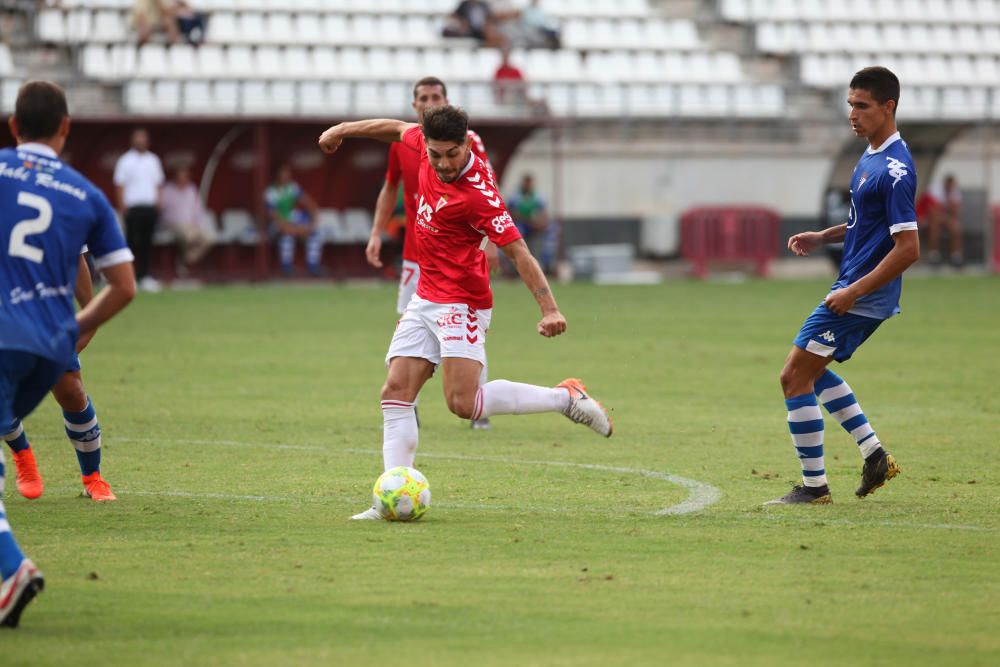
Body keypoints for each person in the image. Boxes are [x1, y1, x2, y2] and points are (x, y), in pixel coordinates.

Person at [319, 106, 613, 521]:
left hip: (462, 302)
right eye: (436, 154)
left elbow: (518, 251)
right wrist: (342, 129)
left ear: (466, 145)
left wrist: (550, 309)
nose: (442, 163)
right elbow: (396, 128)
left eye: (451, 154)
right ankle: (392, 497)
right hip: (425, 297)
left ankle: (563, 397)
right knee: (395, 393)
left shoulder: (478, 196)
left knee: (463, 403)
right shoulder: (424, 144)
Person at [0, 80, 136, 627]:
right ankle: (24, 463)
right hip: (45, 340)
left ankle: (13, 568)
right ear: (65, 127)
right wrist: (77, 327)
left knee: (69, 393)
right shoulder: (85, 193)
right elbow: (123, 285)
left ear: (13, 127)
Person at [766, 67, 920, 506]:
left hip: (861, 294)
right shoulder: (870, 156)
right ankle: (873, 454)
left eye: (862, 106)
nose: (852, 114)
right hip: (853, 287)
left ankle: (815, 487)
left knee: (794, 376)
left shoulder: (895, 169)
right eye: (850, 104)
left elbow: (908, 248)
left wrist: (855, 291)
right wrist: (824, 236)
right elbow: (862, 224)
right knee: (808, 372)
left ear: (888, 107)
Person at [367, 76, 496, 430]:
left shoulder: (467, 143)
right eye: (423, 97)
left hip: (457, 258)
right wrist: (376, 232)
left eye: (435, 97)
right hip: (415, 255)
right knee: (406, 331)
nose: (429, 102)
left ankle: (477, 406)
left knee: (466, 334)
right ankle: (408, 405)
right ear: (414, 105)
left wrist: (492, 241)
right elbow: (390, 186)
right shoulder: (403, 142)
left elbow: (487, 190)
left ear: (445, 100)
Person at [4, 254, 119, 502]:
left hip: (48, 314)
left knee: (71, 392)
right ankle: (22, 454)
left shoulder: (59, 215)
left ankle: (93, 478)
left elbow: (76, 257)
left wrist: (90, 313)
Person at [114, 127, 164, 292]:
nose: (140, 141)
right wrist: (123, 207)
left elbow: (158, 184)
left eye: (143, 138)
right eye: (138, 138)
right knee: (131, 244)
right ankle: (130, 277)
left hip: (149, 208)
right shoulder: (125, 160)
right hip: (132, 209)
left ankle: (145, 276)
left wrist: (158, 203)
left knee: (147, 244)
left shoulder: (153, 160)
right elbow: (119, 184)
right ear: (133, 140)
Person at [266, 163, 321, 276]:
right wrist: (295, 230)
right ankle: (287, 268)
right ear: (277, 175)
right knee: (287, 236)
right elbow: (274, 216)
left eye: (287, 172)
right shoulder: (271, 192)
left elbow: (309, 203)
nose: (286, 175)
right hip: (276, 225)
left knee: (314, 234)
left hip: (291, 222)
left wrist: (314, 221)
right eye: (283, 173)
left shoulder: (292, 187)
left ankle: (313, 266)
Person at [159, 166, 215, 278]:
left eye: (185, 176)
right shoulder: (167, 190)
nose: (183, 179)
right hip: (173, 225)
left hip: (192, 225)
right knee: (188, 236)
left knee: (210, 238)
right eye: (181, 176)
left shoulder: (191, 190)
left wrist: (199, 225)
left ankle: (185, 260)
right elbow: (161, 210)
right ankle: (182, 265)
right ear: (175, 177)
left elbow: (198, 210)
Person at [924, 174, 963, 266]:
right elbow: (932, 211)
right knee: (934, 227)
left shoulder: (955, 192)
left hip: (947, 218)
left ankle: (956, 256)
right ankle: (933, 254)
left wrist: (948, 208)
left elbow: (956, 212)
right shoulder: (935, 190)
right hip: (932, 219)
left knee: (956, 227)